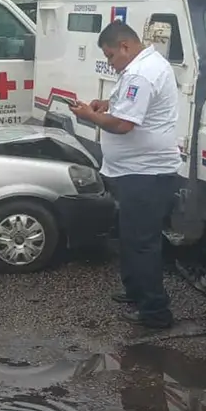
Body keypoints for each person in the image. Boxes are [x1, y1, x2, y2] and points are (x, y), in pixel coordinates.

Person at [70, 20, 181, 330]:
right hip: (136, 170)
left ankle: (155, 312)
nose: (109, 62)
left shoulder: (140, 73)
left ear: (125, 46)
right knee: (131, 237)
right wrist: (107, 104)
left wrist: (90, 115)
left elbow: (123, 124)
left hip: (145, 173)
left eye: (110, 55)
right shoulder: (147, 64)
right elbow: (135, 106)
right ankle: (136, 291)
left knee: (142, 242)